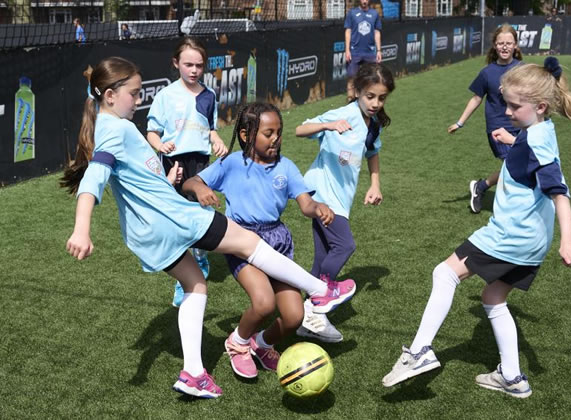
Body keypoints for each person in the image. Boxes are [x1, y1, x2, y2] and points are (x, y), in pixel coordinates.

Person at [60, 56, 356, 399]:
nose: (139, 100)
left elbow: (133, 175)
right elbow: (95, 177)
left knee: (195, 284)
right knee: (247, 241)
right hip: (173, 219)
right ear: (110, 95)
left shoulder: (108, 125)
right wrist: (81, 229)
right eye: (135, 93)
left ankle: (194, 373)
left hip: (147, 233)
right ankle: (320, 291)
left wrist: (163, 177)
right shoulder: (115, 128)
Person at [383, 57, 571, 398]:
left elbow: (560, 193)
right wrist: (513, 141)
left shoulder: (537, 142)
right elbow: (530, 163)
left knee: (444, 273)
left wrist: (568, 242)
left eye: (513, 106)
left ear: (539, 106)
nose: (507, 111)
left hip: (511, 235)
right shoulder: (539, 131)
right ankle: (512, 377)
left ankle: (419, 352)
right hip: (532, 241)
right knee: (493, 298)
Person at [182, 102, 339, 378]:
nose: (276, 139)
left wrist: (318, 208)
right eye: (269, 133)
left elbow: (305, 204)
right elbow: (190, 183)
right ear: (246, 135)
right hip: (241, 241)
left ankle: (262, 343)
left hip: (277, 241)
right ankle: (238, 343)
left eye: (279, 132)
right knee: (264, 303)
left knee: (294, 317)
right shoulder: (231, 163)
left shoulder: (286, 167)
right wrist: (200, 188)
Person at [295, 62, 394, 343]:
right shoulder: (342, 115)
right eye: (370, 96)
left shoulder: (373, 124)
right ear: (357, 91)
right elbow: (300, 130)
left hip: (341, 198)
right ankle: (320, 297)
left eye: (381, 97)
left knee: (321, 257)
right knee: (345, 245)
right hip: (320, 193)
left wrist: (375, 184)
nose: (375, 103)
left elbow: (372, 152)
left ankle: (307, 318)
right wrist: (328, 125)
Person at [146, 37, 228, 307]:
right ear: (176, 64)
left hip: (200, 162)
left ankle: (200, 263)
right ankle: (184, 280)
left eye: (199, 65)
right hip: (174, 164)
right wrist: (162, 145)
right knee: (176, 218)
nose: (194, 70)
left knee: (200, 214)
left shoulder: (209, 95)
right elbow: (151, 133)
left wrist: (216, 140)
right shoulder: (165, 96)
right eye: (188, 64)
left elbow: (210, 128)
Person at [447, 23, 523, 214]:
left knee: (517, 165)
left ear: (515, 45)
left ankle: (481, 187)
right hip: (497, 126)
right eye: (501, 43)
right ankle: (508, 203)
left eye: (509, 43)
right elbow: (476, 98)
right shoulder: (487, 72)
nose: (505, 46)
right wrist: (460, 122)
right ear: (495, 46)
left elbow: (532, 94)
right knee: (513, 164)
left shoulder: (523, 69)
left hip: (520, 125)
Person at [344, 0, 382, 102]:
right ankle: (350, 102)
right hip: (354, 52)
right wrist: (347, 50)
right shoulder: (352, 13)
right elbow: (348, 31)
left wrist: (378, 50)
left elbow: (377, 32)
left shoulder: (374, 14)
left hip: (369, 53)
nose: (364, 1)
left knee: (372, 79)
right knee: (352, 78)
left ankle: (369, 104)